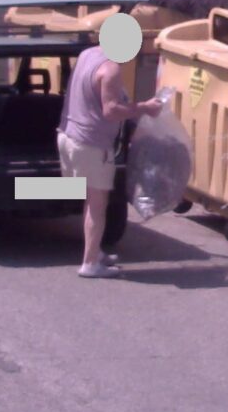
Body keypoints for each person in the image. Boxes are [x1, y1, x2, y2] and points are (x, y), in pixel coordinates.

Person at [57, 45, 162, 278]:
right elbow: (111, 111)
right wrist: (144, 108)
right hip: (91, 144)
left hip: (67, 136)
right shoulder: (111, 69)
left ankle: (95, 250)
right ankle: (90, 263)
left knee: (89, 198)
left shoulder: (87, 54)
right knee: (97, 203)